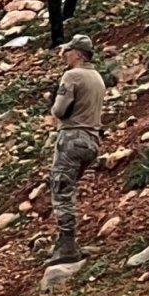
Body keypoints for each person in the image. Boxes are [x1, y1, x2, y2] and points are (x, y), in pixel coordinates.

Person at [45, 34, 105, 265]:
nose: (65, 56)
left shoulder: (72, 76)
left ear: (78, 54)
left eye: (68, 52)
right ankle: (67, 242)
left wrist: (54, 102)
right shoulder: (97, 77)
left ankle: (67, 245)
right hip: (92, 140)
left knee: (61, 190)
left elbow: (59, 111)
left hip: (72, 138)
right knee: (68, 187)